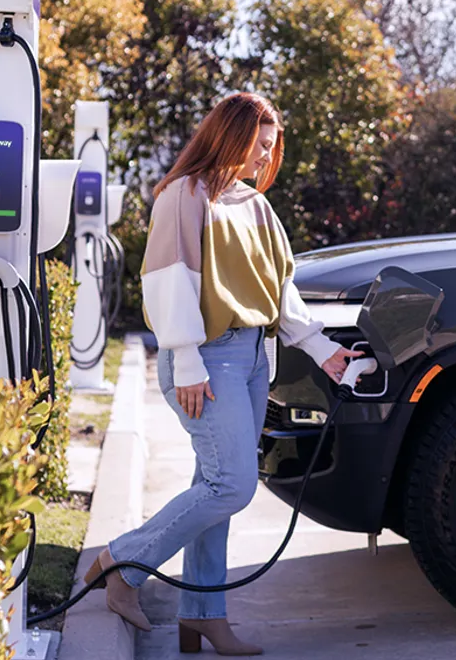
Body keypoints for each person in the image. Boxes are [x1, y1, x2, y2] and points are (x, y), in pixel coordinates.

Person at [84, 92, 363, 655]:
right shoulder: (183, 197)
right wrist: (185, 359)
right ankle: (119, 561)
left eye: (271, 147)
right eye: (260, 146)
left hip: (256, 359)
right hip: (206, 361)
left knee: (211, 486)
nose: (266, 158)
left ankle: (203, 614)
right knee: (230, 485)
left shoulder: (254, 206)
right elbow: (168, 283)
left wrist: (323, 349)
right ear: (230, 137)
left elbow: (280, 291)